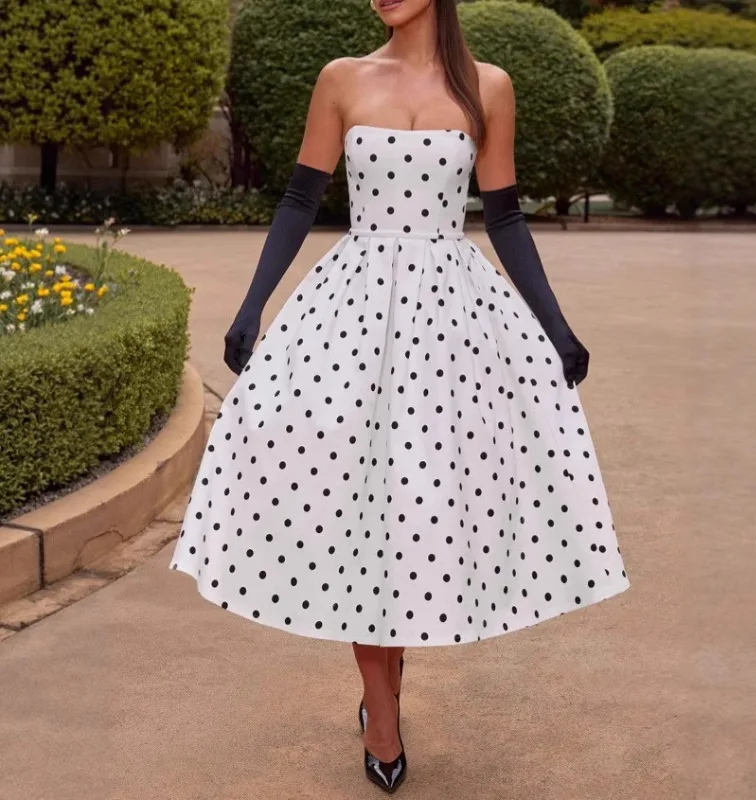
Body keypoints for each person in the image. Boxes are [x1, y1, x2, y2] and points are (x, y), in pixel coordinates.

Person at [169, 0, 629, 792]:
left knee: (415, 511)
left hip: (452, 321)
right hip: (351, 313)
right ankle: (381, 713)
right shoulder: (342, 78)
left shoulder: (489, 86)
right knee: (359, 510)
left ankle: (385, 688)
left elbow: (507, 214)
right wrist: (251, 307)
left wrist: (556, 326)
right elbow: (300, 199)